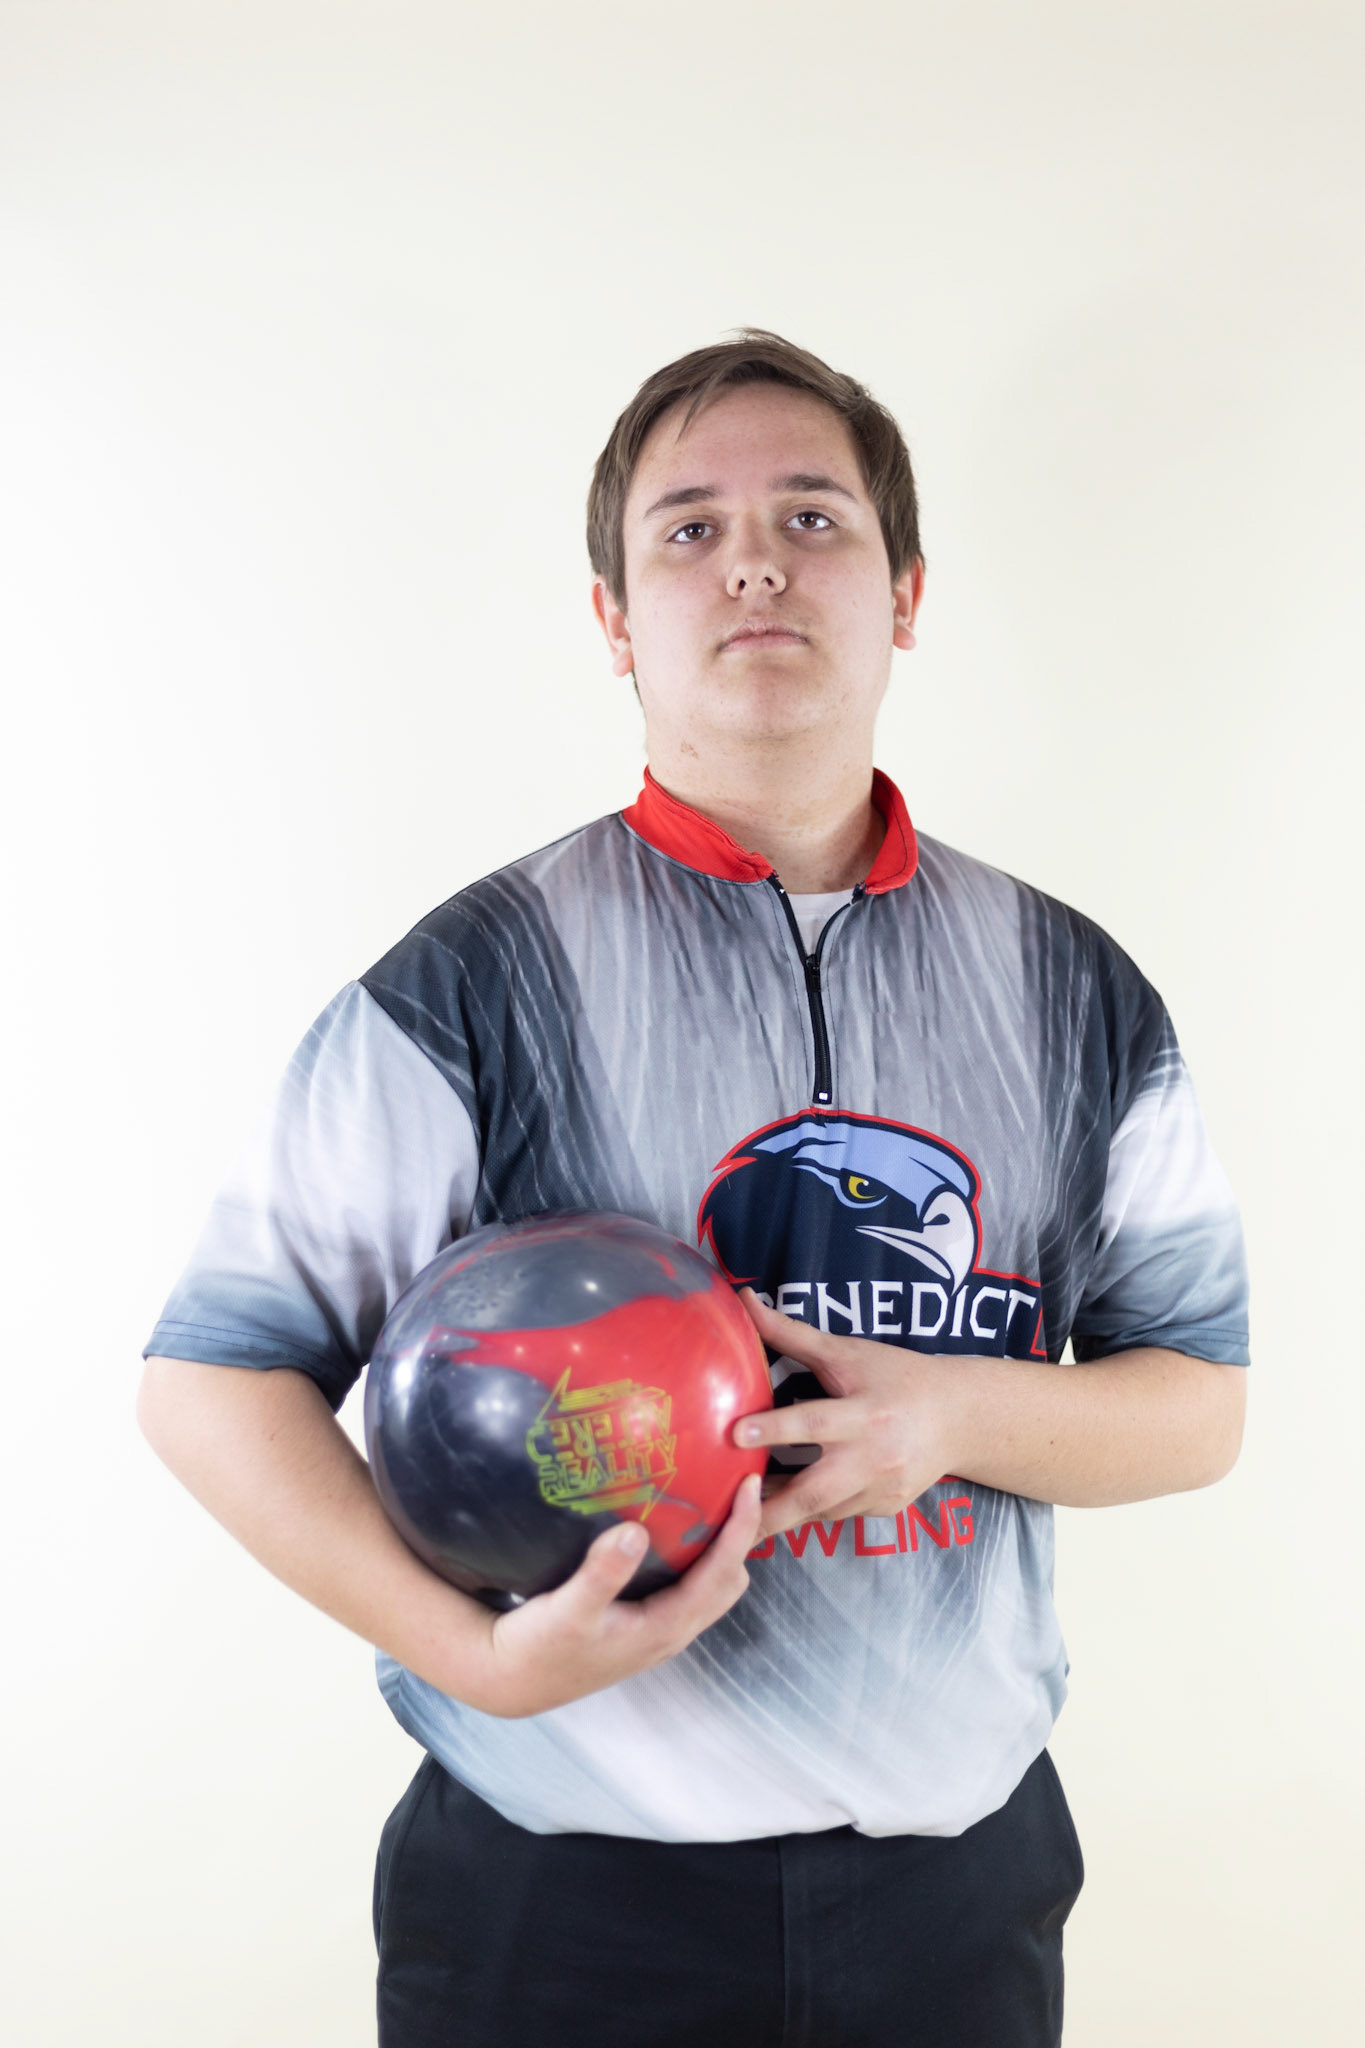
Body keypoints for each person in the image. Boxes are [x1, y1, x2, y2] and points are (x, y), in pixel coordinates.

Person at [139, 330, 1250, 2047]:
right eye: (688, 529)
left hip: (954, 1901)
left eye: (812, 518)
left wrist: (950, 1415)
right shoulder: (473, 980)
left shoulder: (1070, 986)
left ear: (904, 593)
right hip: (558, 1902)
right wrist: (481, 1657)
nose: (752, 563)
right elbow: (211, 1379)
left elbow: (1195, 1406)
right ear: (613, 618)